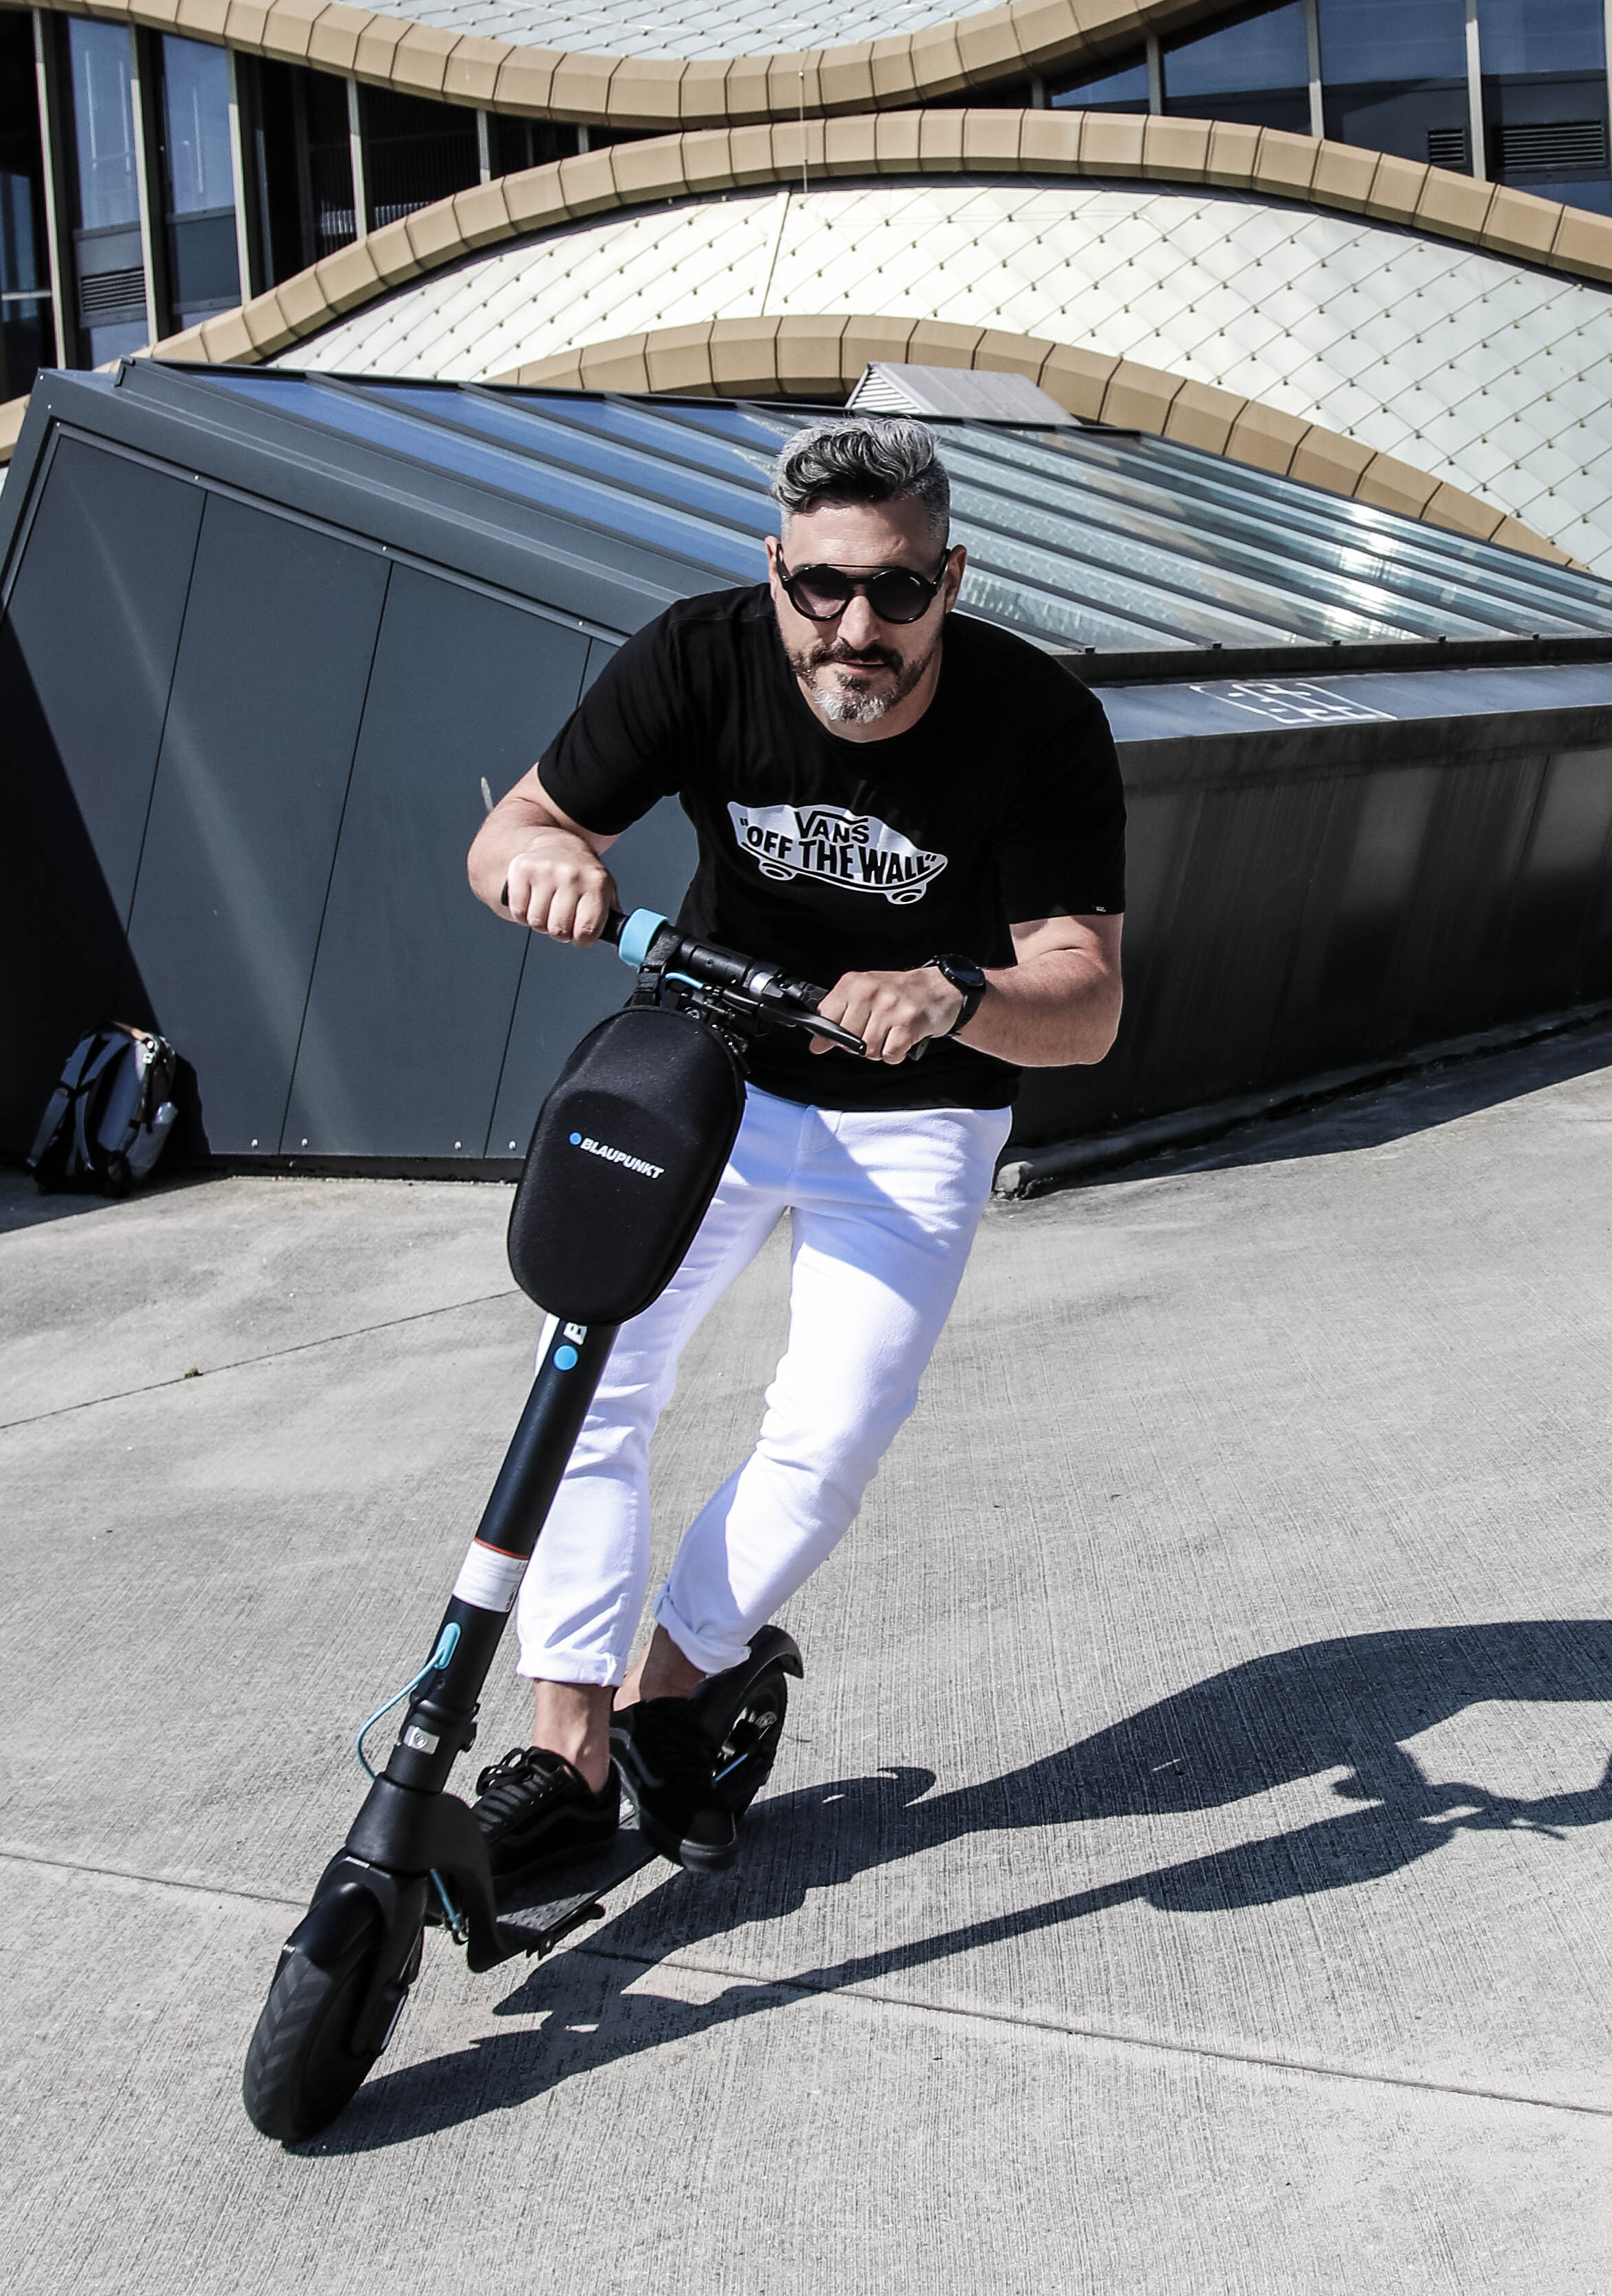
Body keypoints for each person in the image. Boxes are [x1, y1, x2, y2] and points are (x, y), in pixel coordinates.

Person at [462, 411, 1125, 1878]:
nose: (856, 627)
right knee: (590, 1382)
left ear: (951, 579)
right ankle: (565, 1751)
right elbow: (516, 828)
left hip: (922, 1112)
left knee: (829, 1438)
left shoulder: (1035, 721)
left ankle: (674, 1687)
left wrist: (958, 992)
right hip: (707, 1072)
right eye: (821, 585)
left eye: (896, 589)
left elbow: (1084, 1004)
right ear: (776, 569)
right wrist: (549, 858)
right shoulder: (697, 657)